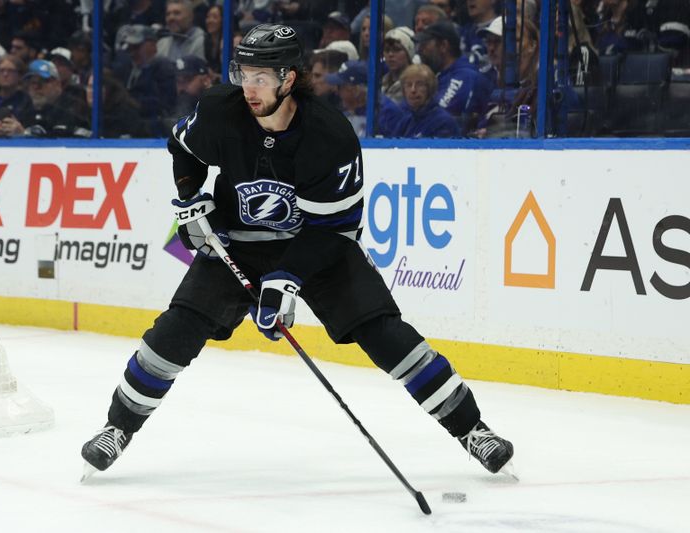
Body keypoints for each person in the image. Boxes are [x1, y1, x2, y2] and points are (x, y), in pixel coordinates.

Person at [80, 23, 514, 482]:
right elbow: (182, 149)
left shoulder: (330, 135)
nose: (249, 88)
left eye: (261, 77)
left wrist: (285, 278)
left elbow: (334, 228)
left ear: (289, 79)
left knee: (384, 332)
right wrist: (190, 201)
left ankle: (473, 430)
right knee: (174, 330)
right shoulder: (219, 109)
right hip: (237, 243)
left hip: (317, 245)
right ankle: (116, 428)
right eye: (243, 74)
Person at [386, 63, 460, 138]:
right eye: (408, 85)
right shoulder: (406, 121)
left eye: (419, 84)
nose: (413, 90)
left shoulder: (443, 122)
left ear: (430, 88)